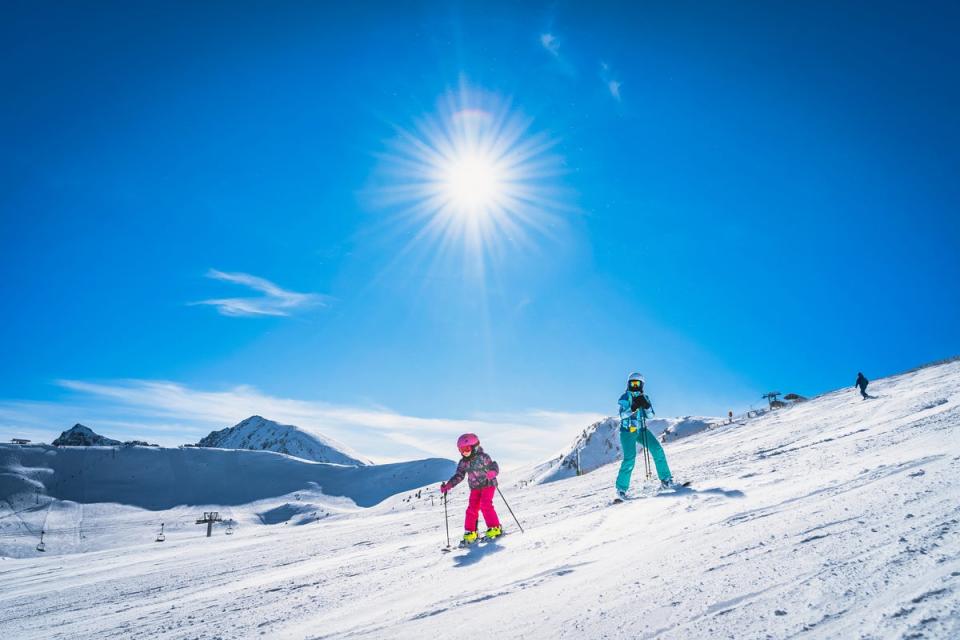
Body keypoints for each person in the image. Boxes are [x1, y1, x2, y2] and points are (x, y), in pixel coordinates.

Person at [616, 372, 673, 500]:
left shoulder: (644, 397)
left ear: (642, 385)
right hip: (628, 430)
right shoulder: (625, 397)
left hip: (641, 430)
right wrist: (634, 406)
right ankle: (621, 489)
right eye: (632, 383)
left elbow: (651, 415)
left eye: (637, 383)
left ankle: (666, 480)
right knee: (630, 459)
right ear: (628, 384)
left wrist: (646, 405)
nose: (635, 386)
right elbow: (622, 415)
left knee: (657, 449)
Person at [440, 433, 502, 545]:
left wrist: (493, 472)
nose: (464, 452)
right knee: (471, 509)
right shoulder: (463, 462)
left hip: (488, 484)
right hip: (475, 488)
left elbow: (494, 465)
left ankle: (495, 528)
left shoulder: (483, 457)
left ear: (475, 447)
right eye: (461, 449)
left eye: (466, 448)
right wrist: (448, 485)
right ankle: (471, 532)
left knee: (485, 504)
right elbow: (459, 476)